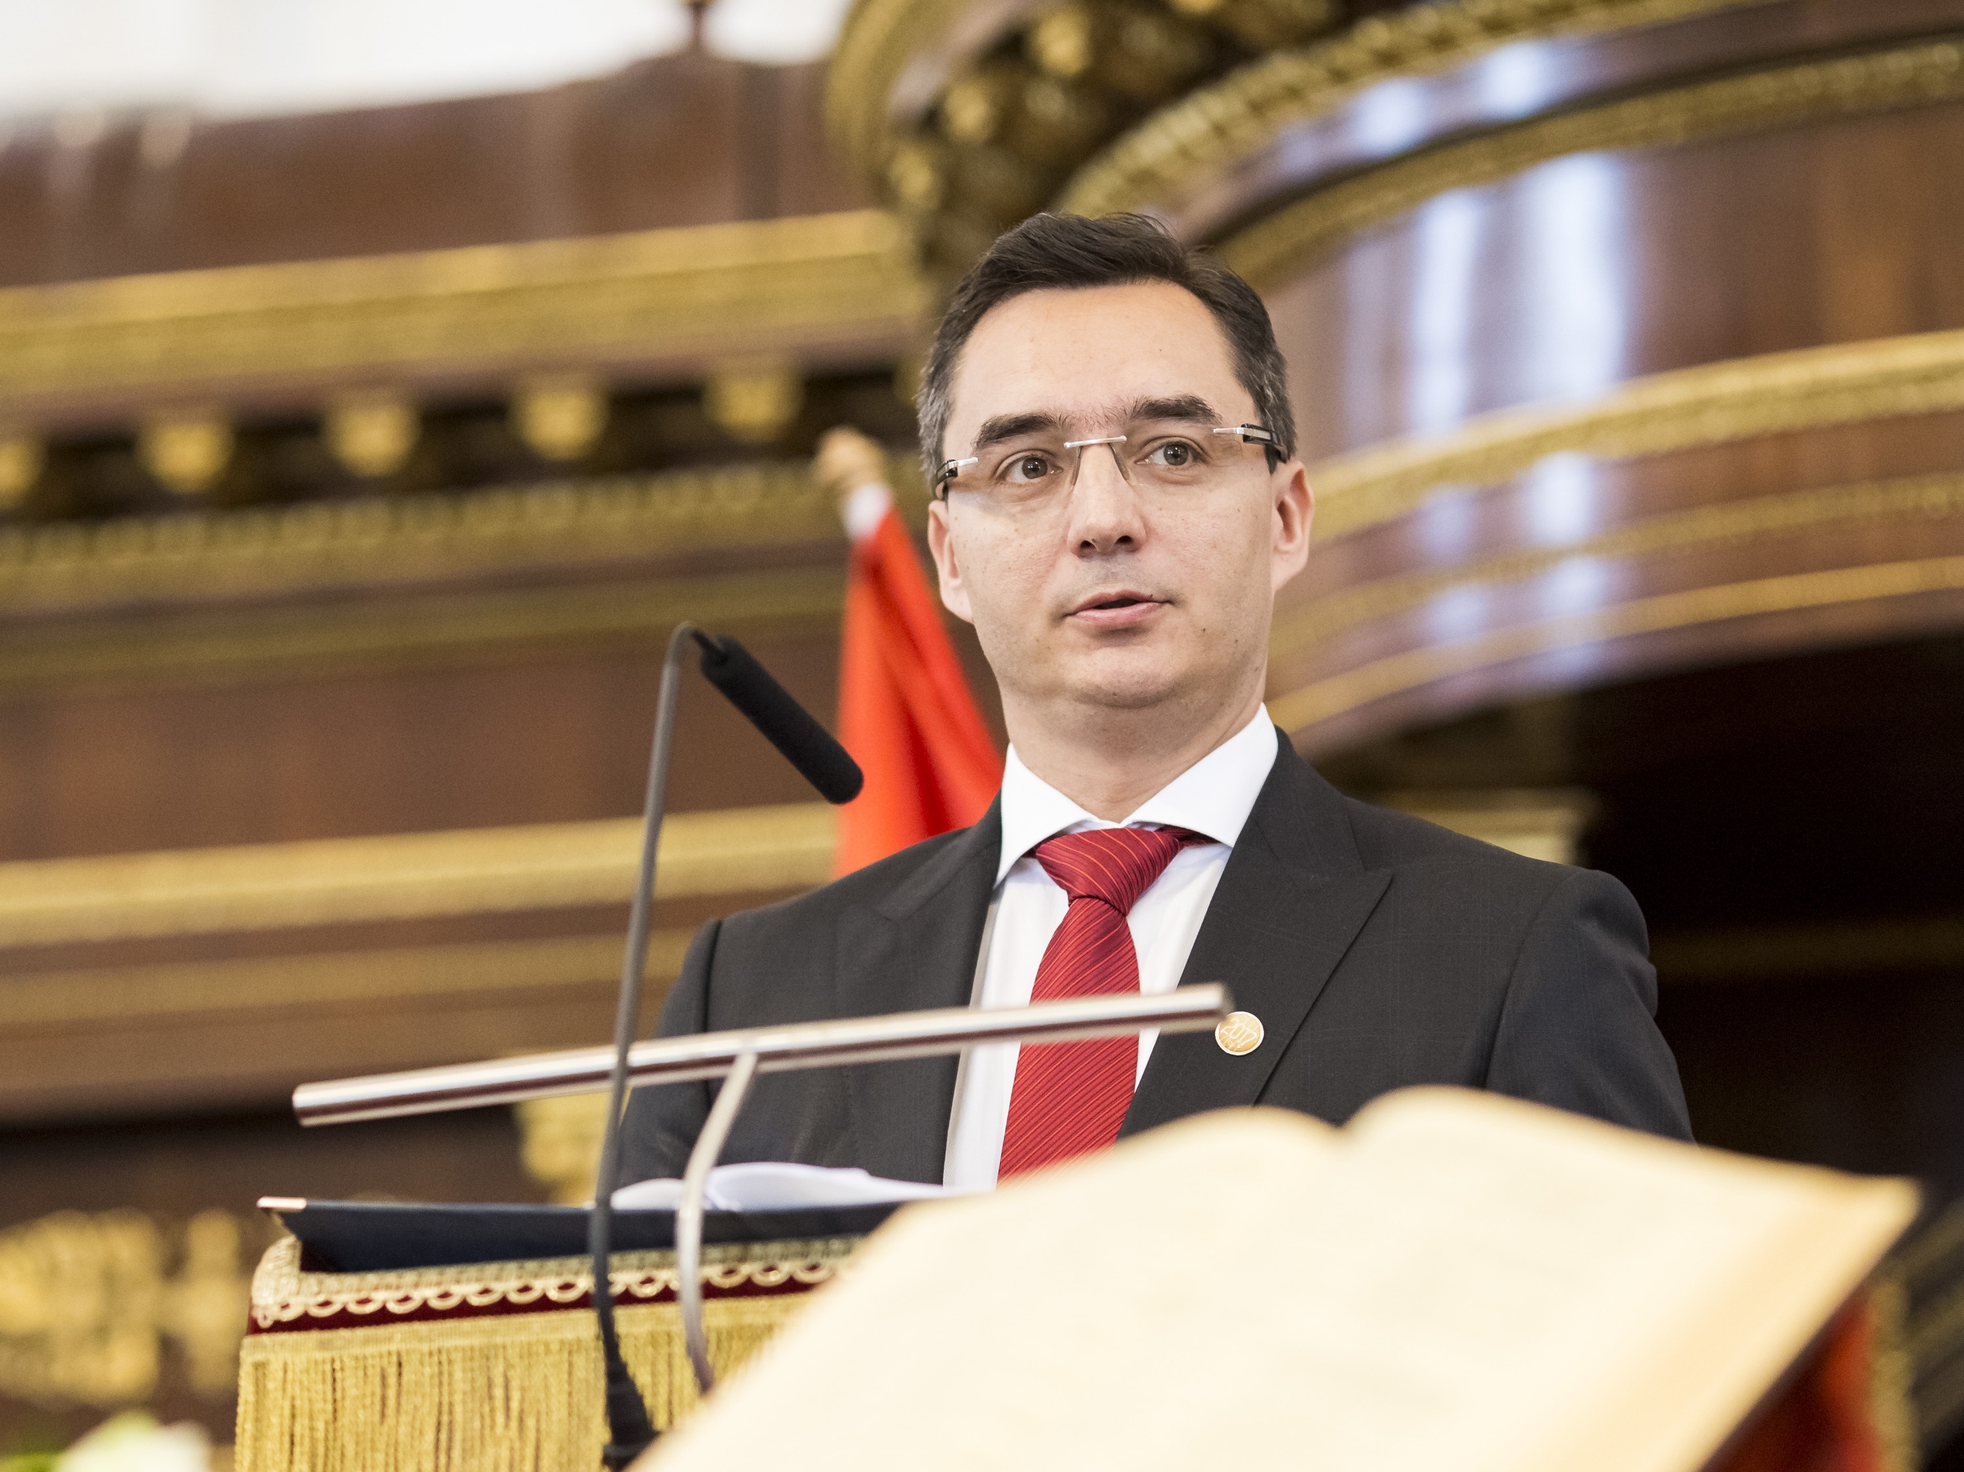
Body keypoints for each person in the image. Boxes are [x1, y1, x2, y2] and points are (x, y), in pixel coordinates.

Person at [620, 211, 1688, 1192]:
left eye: (1172, 451)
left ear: (1285, 517)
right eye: (1027, 466)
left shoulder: (1510, 951)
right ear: (949, 555)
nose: (1103, 519)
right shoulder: (750, 997)